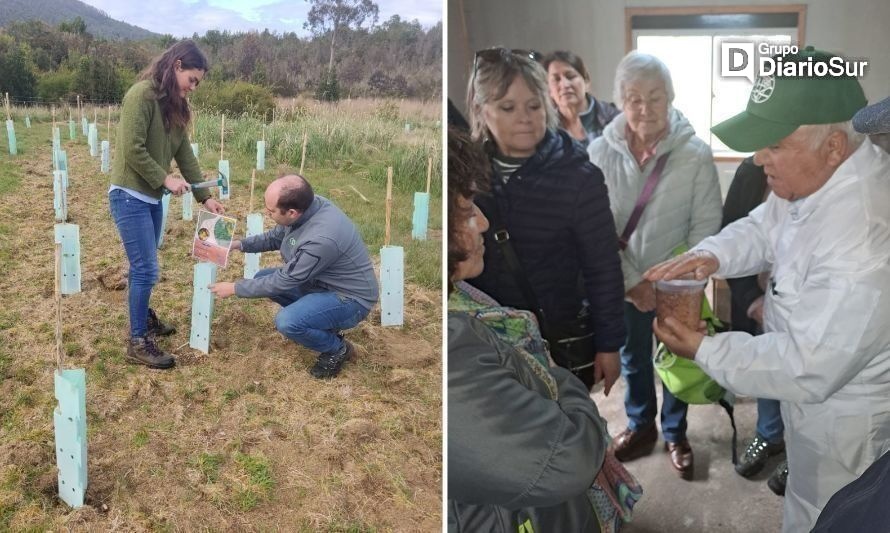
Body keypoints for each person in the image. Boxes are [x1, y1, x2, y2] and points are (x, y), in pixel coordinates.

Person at [645, 47, 890, 532]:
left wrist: (704, 348)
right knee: (802, 495)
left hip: (845, 418)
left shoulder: (865, 234)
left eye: (774, 144)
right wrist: (711, 254)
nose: (758, 158)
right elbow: (764, 225)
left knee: (829, 513)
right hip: (813, 399)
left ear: (835, 146)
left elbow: (807, 365)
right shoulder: (820, 177)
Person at [448, 125, 636, 532]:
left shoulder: (467, 307)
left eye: (476, 206)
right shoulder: (457, 346)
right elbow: (566, 459)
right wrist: (557, 376)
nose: (482, 222)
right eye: (465, 213)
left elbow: (602, 264)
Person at [587, 51, 722, 479]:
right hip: (621, 279)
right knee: (633, 358)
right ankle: (641, 424)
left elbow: (706, 226)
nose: (645, 108)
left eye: (655, 97)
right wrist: (632, 283)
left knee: (678, 355)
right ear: (620, 102)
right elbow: (594, 229)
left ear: (671, 98)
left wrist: (670, 285)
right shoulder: (597, 153)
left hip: (677, 284)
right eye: (634, 98)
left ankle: (676, 432)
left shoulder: (694, 153)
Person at [465, 47, 626, 396]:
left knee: (568, 426)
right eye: (508, 108)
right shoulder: (467, 174)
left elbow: (604, 266)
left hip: (559, 339)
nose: (524, 117)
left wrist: (610, 345)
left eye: (534, 106)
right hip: (489, 338)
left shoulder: (580, 176)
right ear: (481, 110)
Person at [109, 39, 224, 370]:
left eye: (197, 83)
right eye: (192, 79)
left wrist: (206, 196)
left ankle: (141, 317)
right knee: (146, 269)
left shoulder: (174, 106)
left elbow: (183, 153)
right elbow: (132, 148)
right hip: (129, 195)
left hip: (150, 199)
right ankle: (137, 341)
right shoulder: (141, 96)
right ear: (177, 66)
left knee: (142, 265)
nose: (193, 87)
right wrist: (166, 179)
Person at [209, 174, 378, 379]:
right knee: (262, 276)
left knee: (288, 321)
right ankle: (322, 323)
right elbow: (276, 237)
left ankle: (336, 348)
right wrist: (238, 244)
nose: (266, 212)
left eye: (270, 211)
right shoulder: (309, 207)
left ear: (291, 213)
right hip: (322, 283)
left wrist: (235, 288)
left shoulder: (321, 239)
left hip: (351, 299)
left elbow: (284, 281)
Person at [722, 158, 788, 494]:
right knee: (766, 371)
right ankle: (769, 433)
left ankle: (800, 448)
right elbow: (732, 228)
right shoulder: (751, 171)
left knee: (809, 379)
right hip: (762, 298)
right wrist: (751, 299)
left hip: (814, 306)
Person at [542, 50, 620, 148]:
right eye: (556, 79)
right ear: (549, 91)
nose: (564, 84)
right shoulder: (545, 127)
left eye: (570, 77)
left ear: (586, 82)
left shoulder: (614, 119)